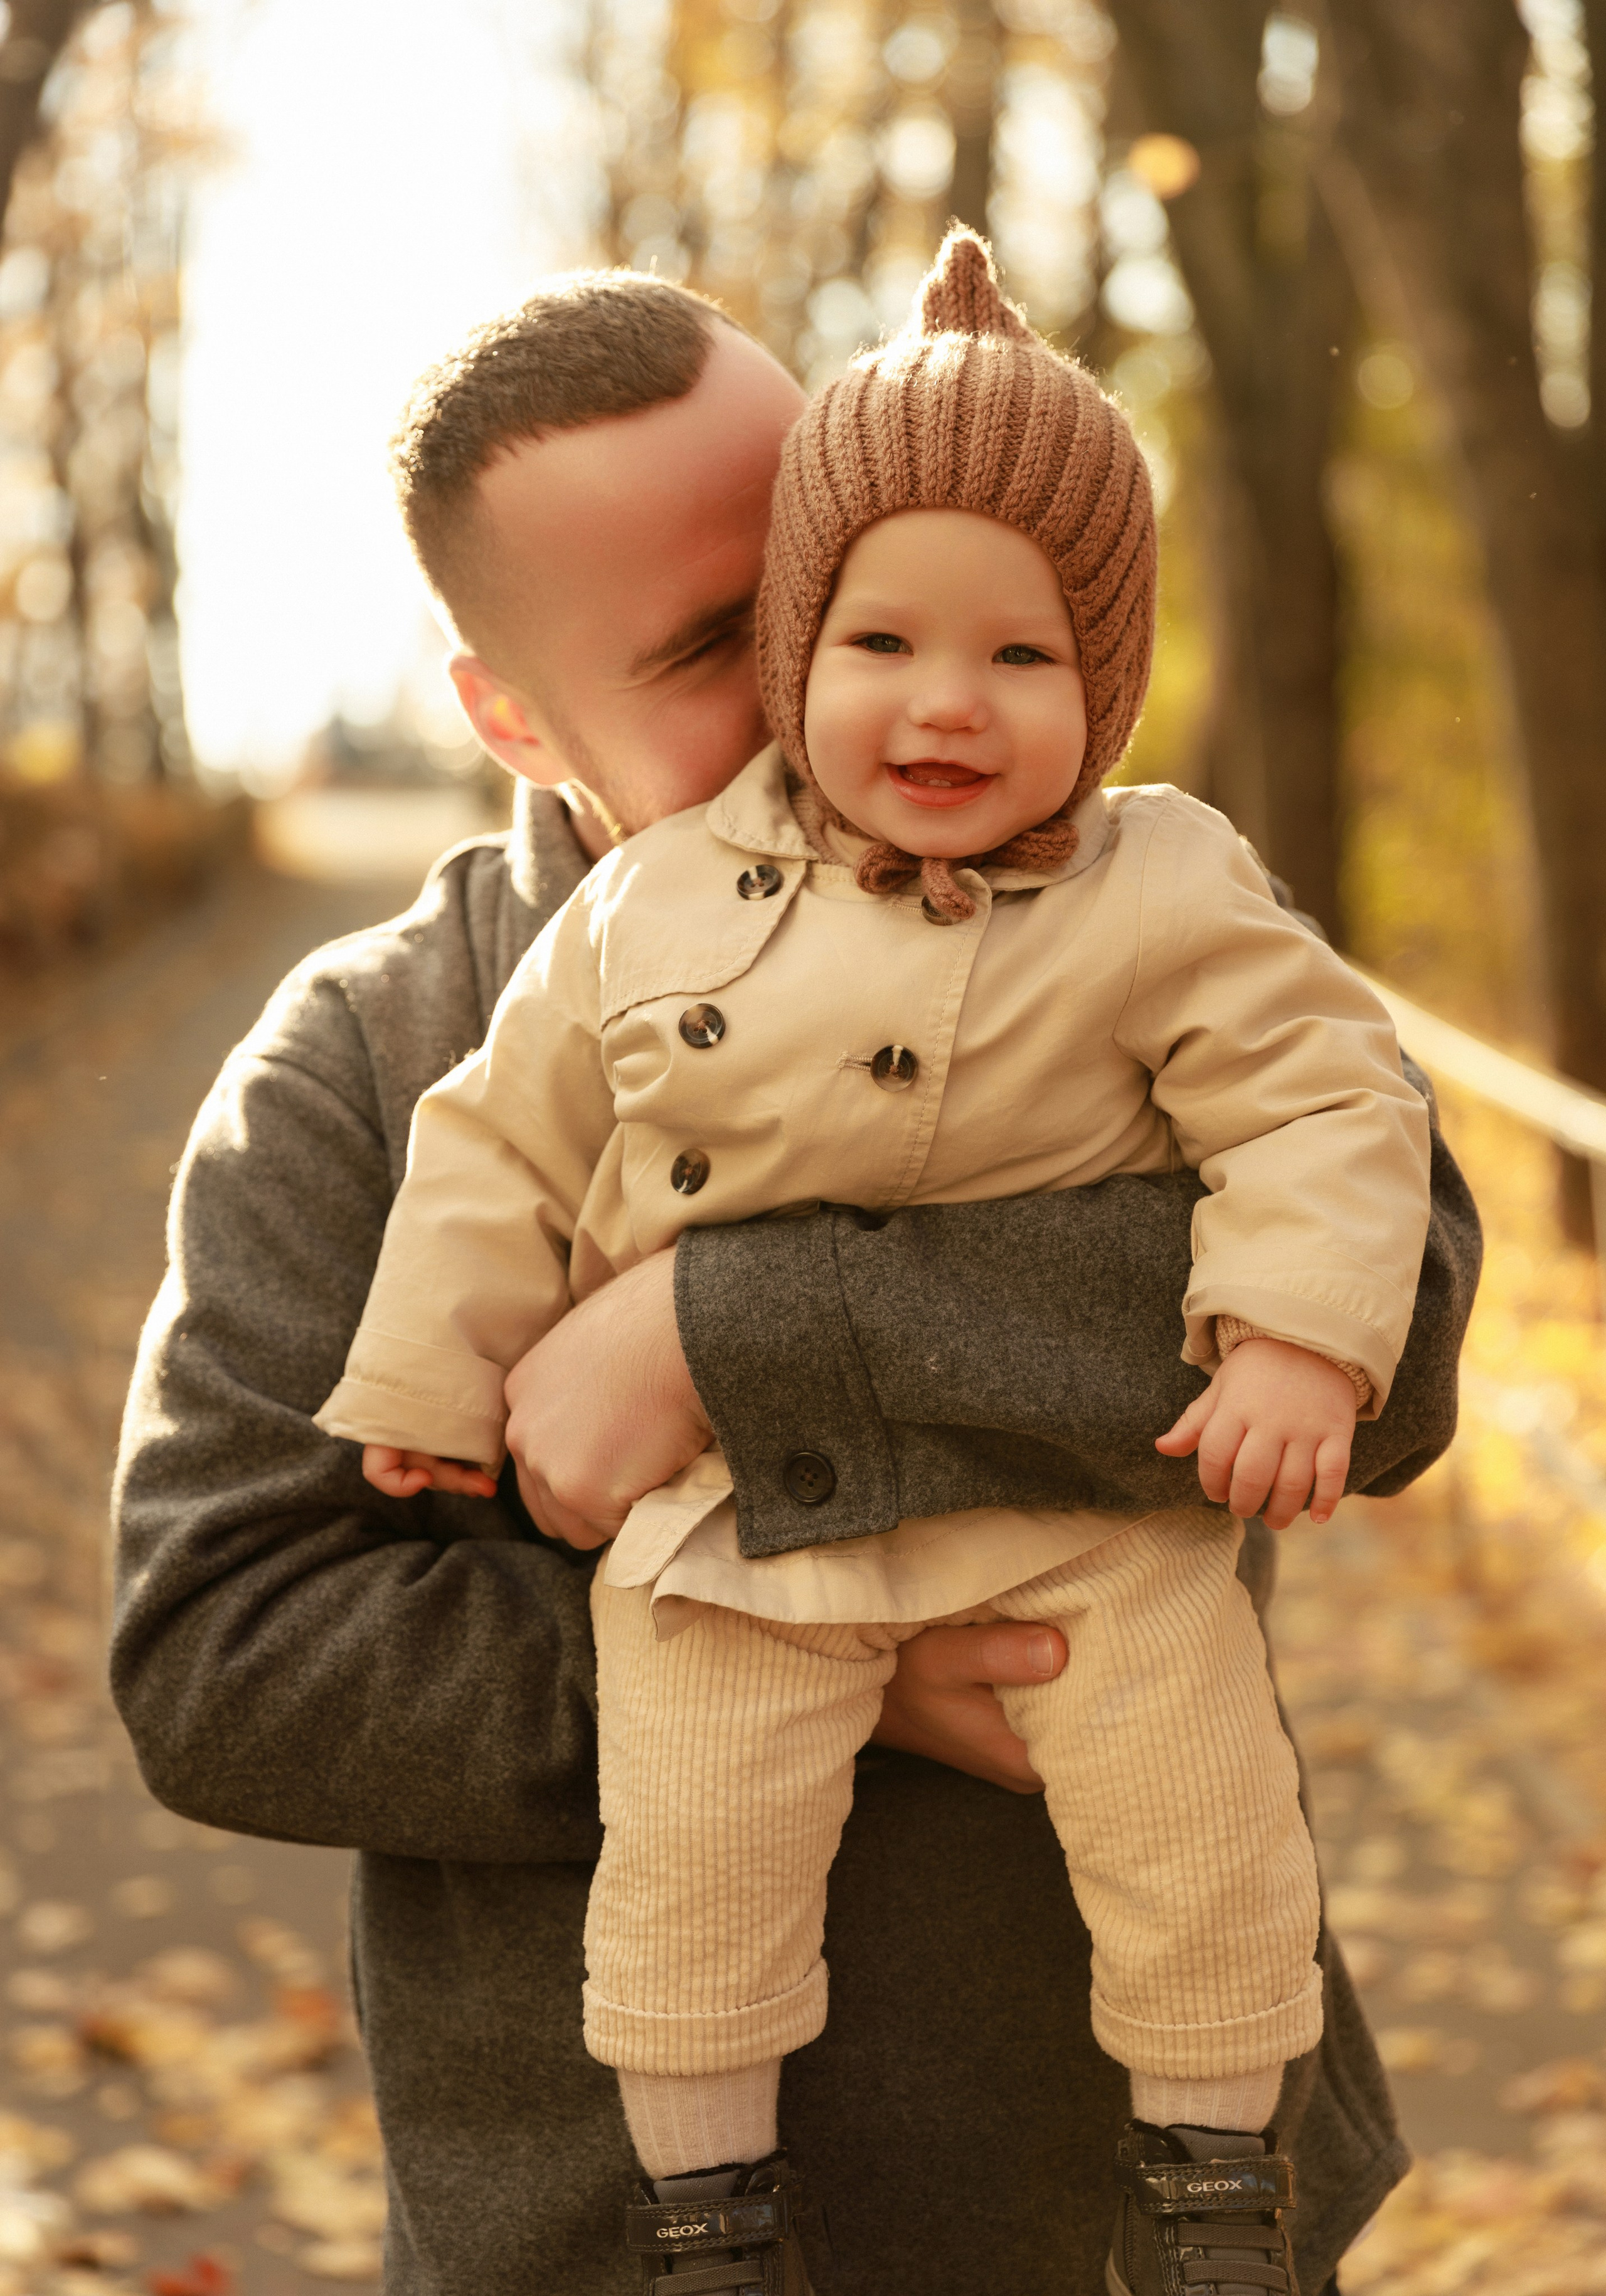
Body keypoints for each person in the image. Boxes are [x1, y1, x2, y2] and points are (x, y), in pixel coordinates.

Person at [112, 251, 1481, 2296]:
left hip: (1136, 2195)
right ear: (508, 711)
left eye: (838, 555)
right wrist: (805, 1656)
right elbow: (227, 1654)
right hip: (593, 2220)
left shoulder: (1124, 894)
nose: (861, 671)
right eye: (715, 641)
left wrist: (728, 1336)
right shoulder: (373, 1063)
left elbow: (1413, 1323)